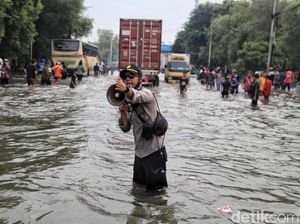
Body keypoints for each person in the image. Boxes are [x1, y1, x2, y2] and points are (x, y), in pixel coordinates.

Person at [116, 64, 168, 190]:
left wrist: (125, 91)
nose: (128, 79)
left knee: (156, 192)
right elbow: (125, 127)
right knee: (138, 188)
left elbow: (136, 96)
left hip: (153, 152)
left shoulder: (147, 94)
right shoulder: (126, 101)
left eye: (131, 76)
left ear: (140, 78)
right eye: (125, 76)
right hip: (139, 153)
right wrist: (122, 112)